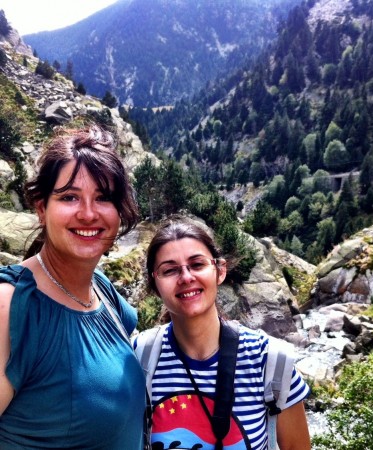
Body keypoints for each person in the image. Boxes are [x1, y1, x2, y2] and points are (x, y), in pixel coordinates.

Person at [0, 125, 147, 449]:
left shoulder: (103, 292)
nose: (88, 213)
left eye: (103, 198)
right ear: (41, 207)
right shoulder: (11, 307)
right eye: (69, 197)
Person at [136, 216, 311, 450]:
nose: (186, 277)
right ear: (154, 284)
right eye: (170, 270)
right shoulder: (140, 358)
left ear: (220, 271)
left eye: (197, 265)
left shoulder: (271, 362)